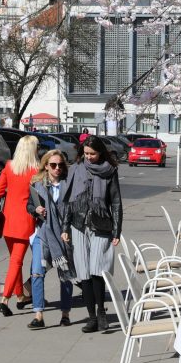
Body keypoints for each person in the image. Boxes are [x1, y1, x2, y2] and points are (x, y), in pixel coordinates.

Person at [61, 135, 122, 333]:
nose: (89, 157)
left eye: (92, 154)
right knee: (84, 273)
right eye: (86, 153)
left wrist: (117, 229)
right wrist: (64, 227)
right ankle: (92, 317)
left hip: (101, 224)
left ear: (100, 152)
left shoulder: (109, 171)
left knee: (98, 271)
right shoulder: (77, 169)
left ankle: (102, 312)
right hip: (79, 225)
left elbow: (116, 201)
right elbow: (69, 200)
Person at [25, 149, 73, 329]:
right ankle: (38, 315)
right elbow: (29, 205)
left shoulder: (68, 184)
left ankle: (65, 314)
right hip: (42, 233)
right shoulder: (37, 185)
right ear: (46, 166)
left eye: (60, 165)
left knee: (65, 274)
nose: (57, 168)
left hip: (63, 234)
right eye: (53, 165)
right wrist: (35, 210)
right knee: (37, 272)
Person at [0, 135, 40, 317]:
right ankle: (5, 299)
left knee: (15, 260)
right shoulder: (36, 171)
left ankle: (20, 296)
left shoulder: (9, 166)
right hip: (25, 221)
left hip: (8, 219)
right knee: (16, 261)